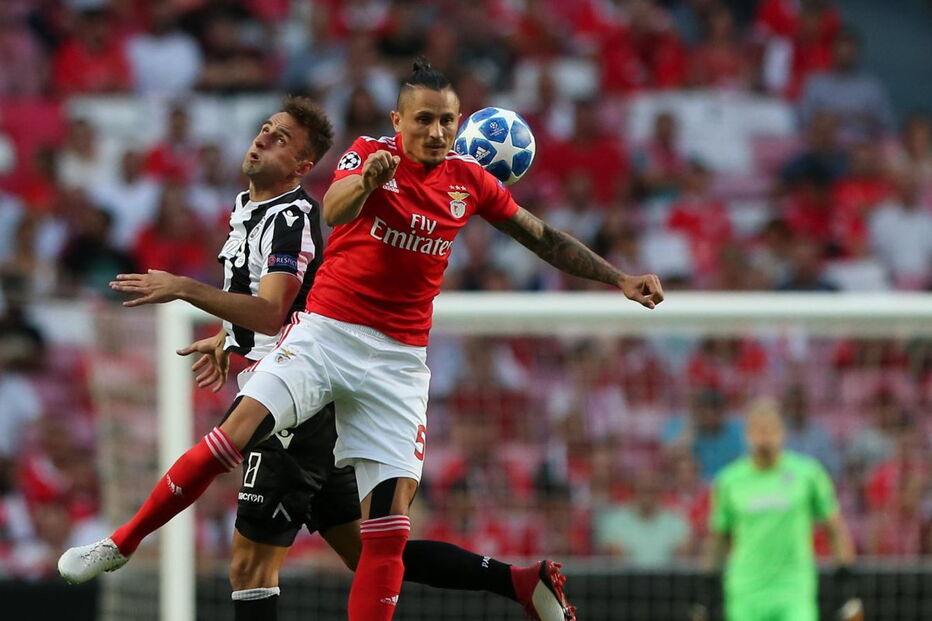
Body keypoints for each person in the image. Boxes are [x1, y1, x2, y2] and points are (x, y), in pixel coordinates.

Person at [60, 58, 663, 620]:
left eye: (446, 121)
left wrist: (618, 278)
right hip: (327, 336)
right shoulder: (369, 154)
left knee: (385, 537)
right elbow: (336, 209)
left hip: (399, 362)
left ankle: (521, 583)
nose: (435, 131)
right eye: (423, 119)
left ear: (459, 125)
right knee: (232, 441)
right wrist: (369, 181)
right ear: (398, 121)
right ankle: (121, 543)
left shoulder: (470, 182)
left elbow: (543, 237)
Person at [694, 398, 858, 621]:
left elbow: (834, 528)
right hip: (746, 592)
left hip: (794, 590)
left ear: (782, 432)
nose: (764, 437)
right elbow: (719, 538)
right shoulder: (729, 481)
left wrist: (847, 585)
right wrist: (706, 591)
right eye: (758, 430)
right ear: (747, 435)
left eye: (770, 429)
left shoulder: (807, 475)